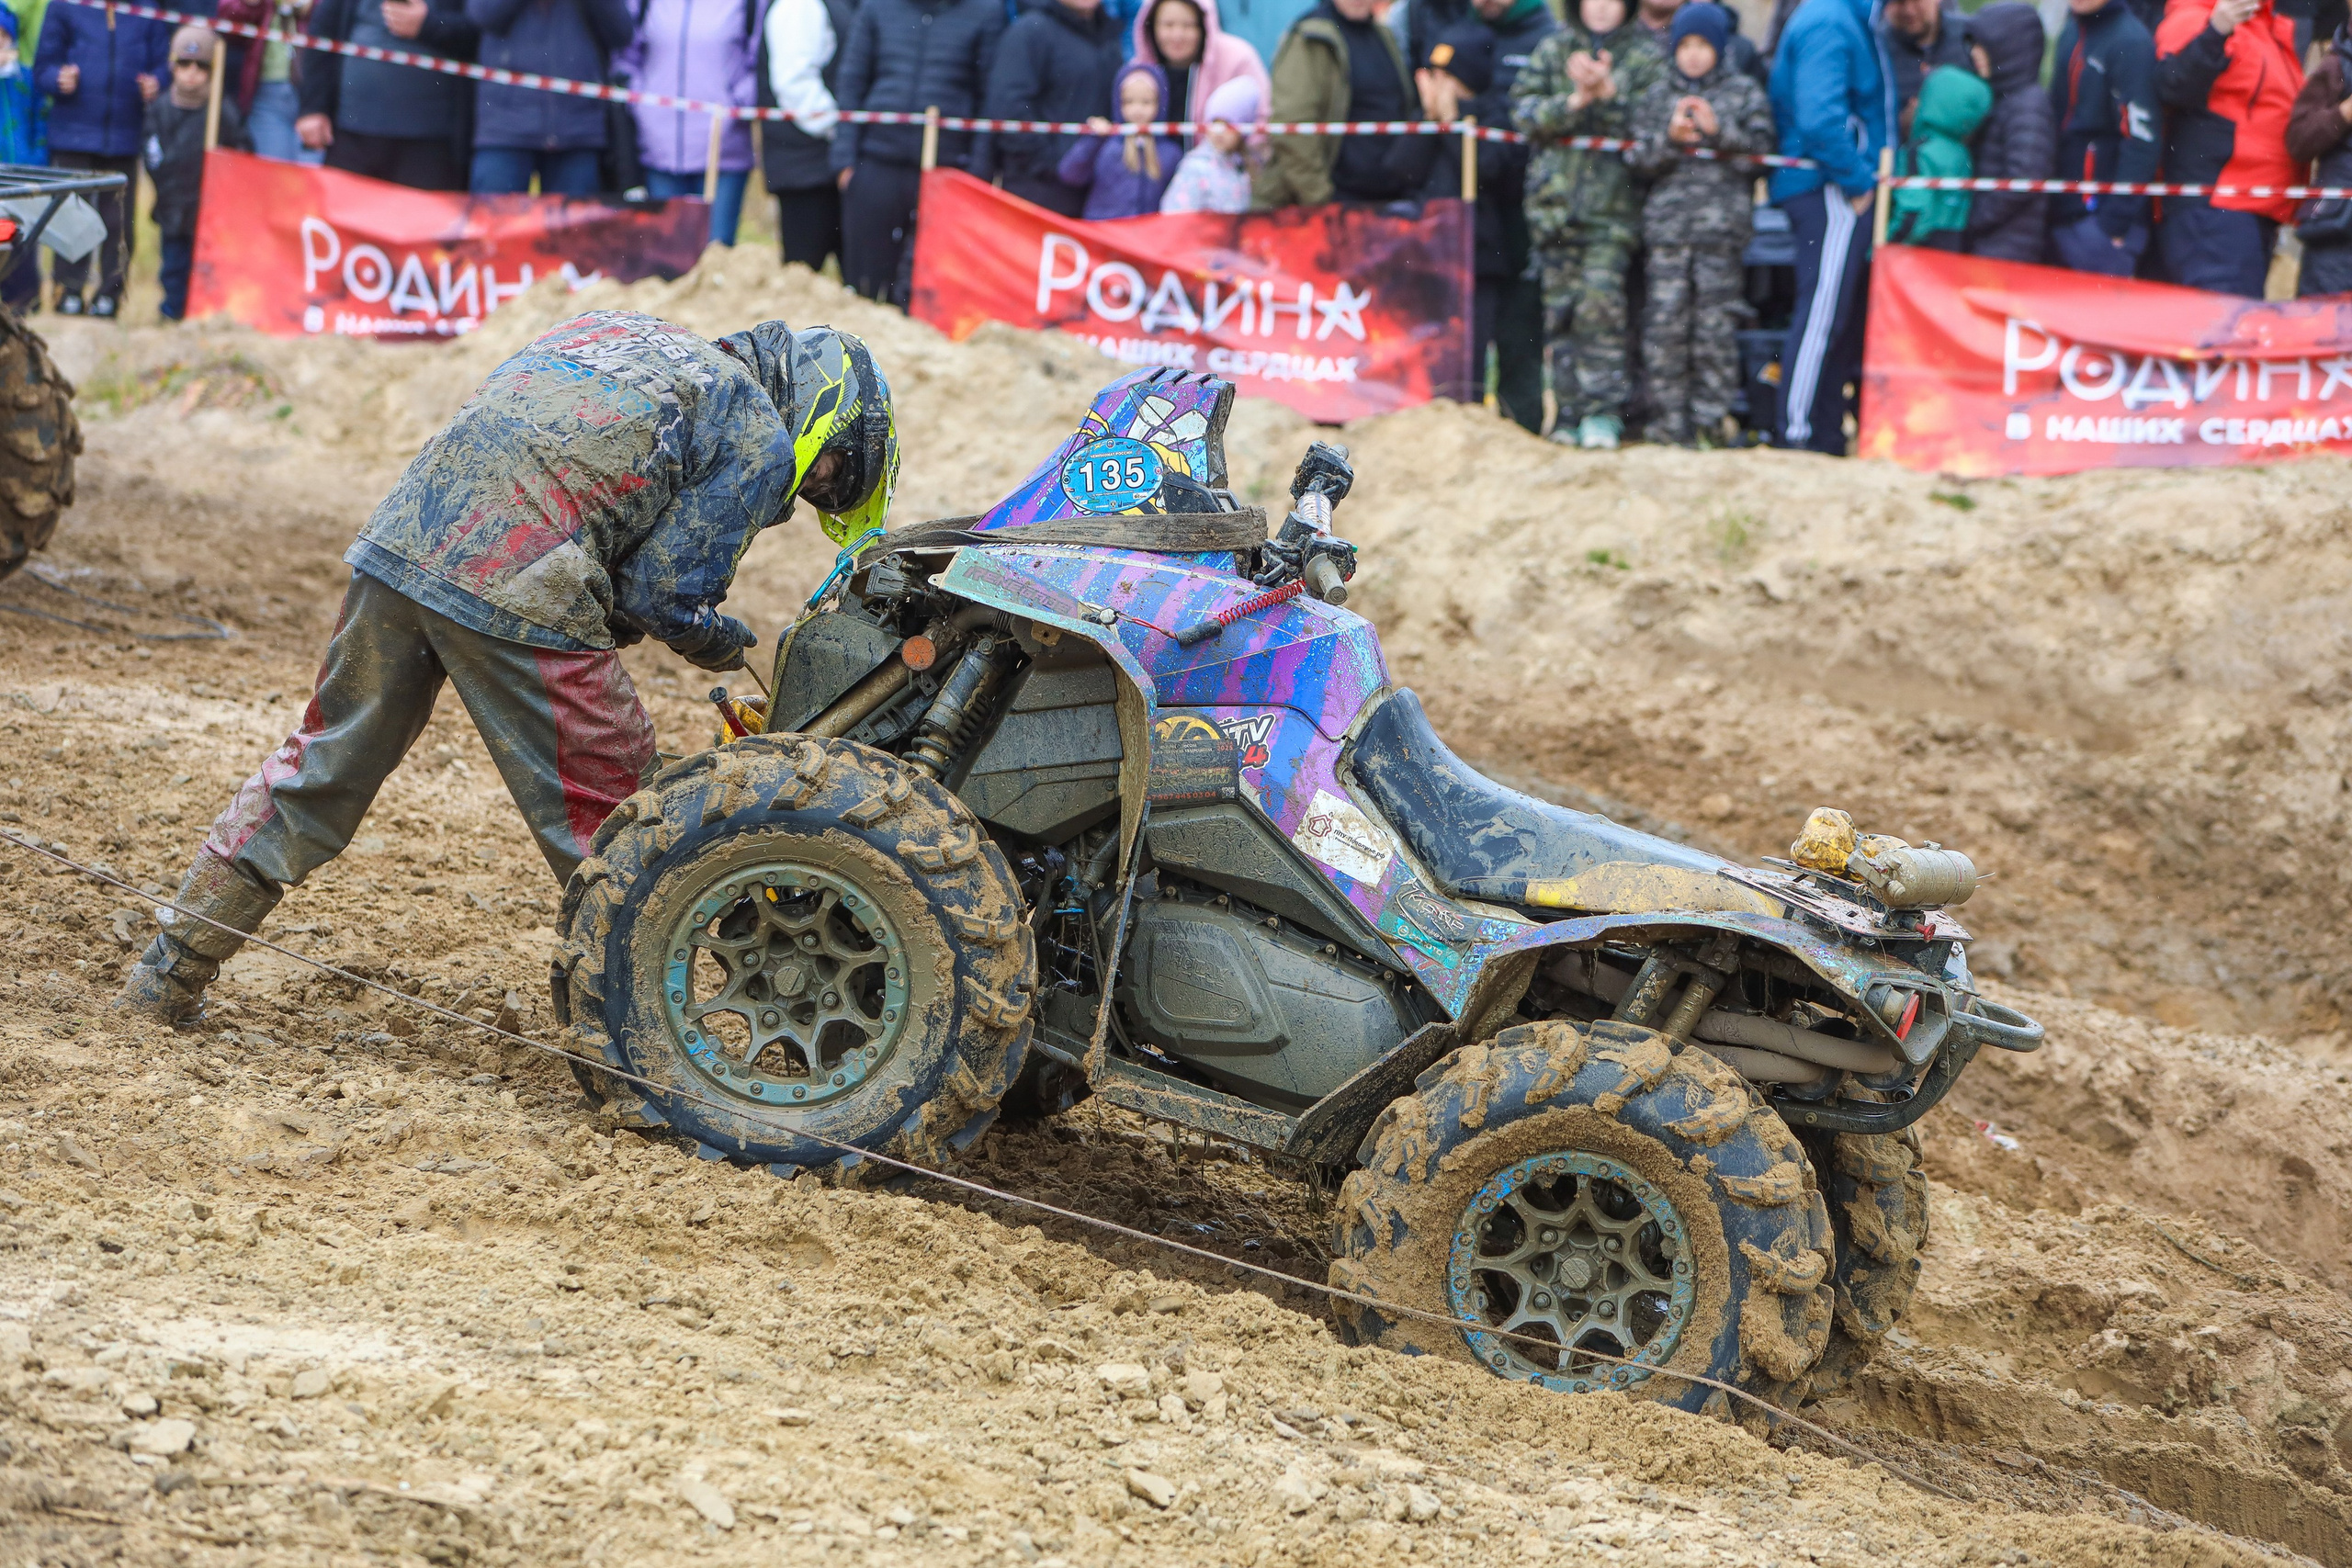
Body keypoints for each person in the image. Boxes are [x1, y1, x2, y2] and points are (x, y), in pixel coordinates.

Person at [116, 316, 902, 1029]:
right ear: (819, 408)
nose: (814, 489)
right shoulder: (758, 425)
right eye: (832, 470)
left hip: (398, 547)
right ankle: (649, 1048)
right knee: (630, 824)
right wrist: (722, 640)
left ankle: (167, 971)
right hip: (527, 583)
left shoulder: (616, 333)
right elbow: (663, 594)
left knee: (317, 766)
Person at [1513, 0, 1664, 448]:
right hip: (1554, 208)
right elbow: (1523, 113)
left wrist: (1610, 93)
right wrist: (1574, 100)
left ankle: (1602, 412)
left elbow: (1651, 124)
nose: (1601, 8)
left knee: (1600, 310)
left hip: (1614, 212)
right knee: (1560, 315)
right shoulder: (1555, 48)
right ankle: (1569, 412)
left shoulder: (1644, 55)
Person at [1629, 1, 1770, 446]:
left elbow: (1762, 154)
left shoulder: (1743, 92)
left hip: (1721, 238)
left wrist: (1720, 130)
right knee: (1666, 328)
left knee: (1714, 330)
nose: (1692, 54)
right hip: (1668, 237)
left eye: (1702, 45)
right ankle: (1668, 425)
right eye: (1684, 45)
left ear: (1720, 47)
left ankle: (1709, 424)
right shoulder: (1656, 95)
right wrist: (1669, 140)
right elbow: (1635, 158)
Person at [1424, 0, 1557, 434]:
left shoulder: (1546, 35)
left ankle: (1524, 427)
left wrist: (1459, 120)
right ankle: (1461, 425)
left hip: (1524, 212)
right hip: (1475, 227)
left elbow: (1495, 158)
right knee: (1465, 340)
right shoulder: (1454, 23)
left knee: (1521, 333)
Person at [1766, 0, 1886, 456]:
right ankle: (1794, 432)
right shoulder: (1828, 21)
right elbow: (1819, 116)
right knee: (1820, 316)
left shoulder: (1847, 19)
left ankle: (1826, 434)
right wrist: (1856, 179)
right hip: (1828, 188)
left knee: (1836, 317)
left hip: (1832, 184)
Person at [831, 0, 1004, 305]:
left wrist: (977, 175)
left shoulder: (986, 12)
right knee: (864, 283)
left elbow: (988, 97)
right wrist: (844, 159)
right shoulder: (876, 8)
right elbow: (852, 82)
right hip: (875, 161)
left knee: (923, 287)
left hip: (945, 170)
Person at [2154, 0, 2303, 297]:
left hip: (2254, 209)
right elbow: (2171, 85)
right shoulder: (2193, 17)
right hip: (2215, 207)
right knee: (2227, 330)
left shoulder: (2269, 28)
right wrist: (2215, 31)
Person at [33, 0, 169, 316]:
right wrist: (57, 79)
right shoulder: (64, 6)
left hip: (125, 135)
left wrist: (157, 82)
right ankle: (67, 291)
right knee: (71, 217)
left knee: (118, 222)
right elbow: (42, 68)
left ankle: (110, 296)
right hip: (73, 134)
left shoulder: (147, 9)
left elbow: (164, 66)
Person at [1254, 0, 1442, 210]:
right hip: (1335, 204)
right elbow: (1292, 128)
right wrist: (1321, 199)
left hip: (1387, 200)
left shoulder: (1384, 35)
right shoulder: (1311, 37)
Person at [299, 0, 481, 191]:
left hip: (430, 142)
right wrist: (313, 107)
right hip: (351, 135)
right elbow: (323, 31)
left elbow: (484, 33)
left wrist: (429, 25)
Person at [616, 0, 758, 244]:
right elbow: (626, 56)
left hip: (722, 154)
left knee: (715, 256)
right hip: (659, 152)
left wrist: (735, 105)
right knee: (666, 256)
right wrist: (643, 106)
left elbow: (759, 60)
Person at [466, 0, 635, 196]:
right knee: (492, 222)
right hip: (505, 127)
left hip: (577, 128)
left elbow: (621, 34)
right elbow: (482, 15)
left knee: (573, 226)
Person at [146, 27, 252, 321]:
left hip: (207, 207)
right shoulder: (161, 110)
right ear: (173, 66)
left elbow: (240, 152)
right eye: (184, 64)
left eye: (201, 66)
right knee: (174, 265)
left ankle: (202, 316)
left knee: (205, 266)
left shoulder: (222, 112)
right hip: (173, 206)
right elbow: (151, 153)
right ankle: (172, 312)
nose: (192, 73)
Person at [2046, 0, 2158, 276]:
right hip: (2060, 214)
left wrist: (2113, 224)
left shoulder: (2131, 41)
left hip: (2101, 228)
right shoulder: (2071, 30)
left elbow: (2142, 139)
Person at [984, 0, 1125, 218]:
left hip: (1094, 193)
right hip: (1040, 190)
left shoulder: (1109, 37)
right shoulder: (1031, 30)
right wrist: (1051, 165)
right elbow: (1009, 106)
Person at [759, 0, 854, 271]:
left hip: (821, 163)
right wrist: (843, 131)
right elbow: (795, 85)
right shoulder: (798, 6)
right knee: (801, 281)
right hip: (806, 170)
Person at [1959, 3, 2052, 262]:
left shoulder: (2027, 104)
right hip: (1995, 241)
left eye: (1983, 45)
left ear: (2008, 47)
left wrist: (1975, 218)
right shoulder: (2003, 98)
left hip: (2007, 247)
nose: (1975, 53)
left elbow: (2024, 177)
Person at [1058, 59, 1182, 217]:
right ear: (1118, 102)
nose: (1137, 109)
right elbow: (1070, 174)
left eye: (1146, 102)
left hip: (1146, 237)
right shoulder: (1106, 145)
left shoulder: (1171, 153)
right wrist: (1093, 139)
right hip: (1102, 234)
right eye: (1128, 102)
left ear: (1160, 103)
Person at [1129, 0, 1269, 140]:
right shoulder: (1138, 72)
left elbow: (1262, 119)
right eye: (1168, 25)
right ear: (1151, 25)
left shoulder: (1238, 59)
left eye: (1188, 25)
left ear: (1204, 25)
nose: (1178, 35)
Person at [1886, 63, 1989, 249]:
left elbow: (1913, 213)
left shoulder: (1921, 151)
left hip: (1913, 255)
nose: (1913, 102)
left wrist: (1884, 246)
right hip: (1948, 255)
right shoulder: (1962, 154)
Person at [2287, 17, 2352, 295]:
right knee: (2321, 331)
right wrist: (2345, 113)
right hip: (2337, 240)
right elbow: (2298, 140)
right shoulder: (2339, 64)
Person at [1161, 73, 1261, 211]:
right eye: (1215, 122)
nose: (1219, 131)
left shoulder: (1244, 168)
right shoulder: (1196, 166)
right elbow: (1176, 214)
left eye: (1228, 124)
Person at [0, 7, 41, 318]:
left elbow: (41, 122)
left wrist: (38, 162)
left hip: (26, 174)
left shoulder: (26, 80)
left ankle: (29, 299)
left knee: (24, 240)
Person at [1878, 0, 1968, 130]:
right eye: (1899, 2)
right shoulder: (1876, 49)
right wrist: (1899, 125)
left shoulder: (1969, 36)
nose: (1909, 10)